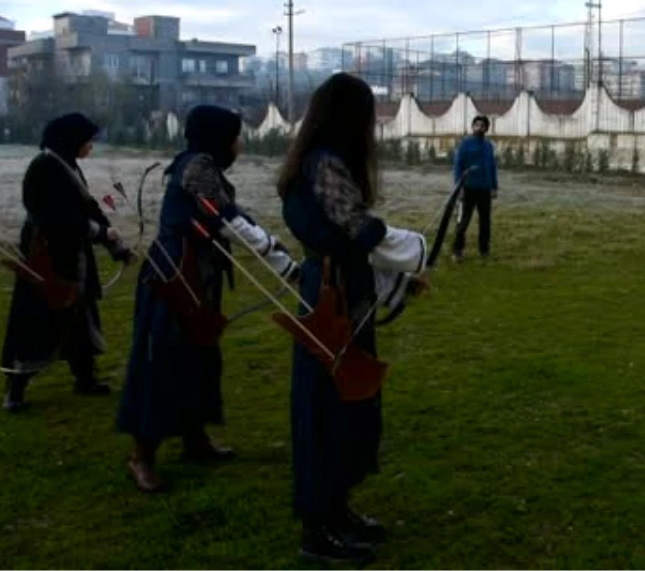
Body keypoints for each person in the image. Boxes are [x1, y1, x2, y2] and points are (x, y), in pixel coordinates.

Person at [277, 72, 431, 564]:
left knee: (351, 401)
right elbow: (360, 234)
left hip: (345, 292)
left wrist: (401, 282)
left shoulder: (326, 162)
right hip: (330, 300)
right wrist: (416, 251)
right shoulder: (324, 166)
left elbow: (351, 246)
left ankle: (337, 510)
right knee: (327, 407)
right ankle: (317, 531)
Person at [116, 104, 300, 493]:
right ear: (218, 138)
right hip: (174, 277)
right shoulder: (197, 167)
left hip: (199, 277)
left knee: (199, 355)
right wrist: (280, 261)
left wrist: (273, 248)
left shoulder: (203, 166)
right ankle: (142, 456)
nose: (239, 144)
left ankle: (194, 438)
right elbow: (226, 219)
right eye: (235, 136)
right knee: (163, 361)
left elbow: (232, 214)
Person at [0, 112, 134, 412]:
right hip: (46, 259)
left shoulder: (65, 164)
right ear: (71, 140)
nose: (90, 147)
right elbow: (58, 218)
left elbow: (88, 208)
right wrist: (102, 233)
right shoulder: (44, 168)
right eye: (87, 141)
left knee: (80, 320)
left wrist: (117, 247)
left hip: (74, 258)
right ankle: (15, 388)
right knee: (37, 323)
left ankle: (85, 378)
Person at [450, 114, 498, 262]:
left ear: (486, 129)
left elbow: (492, 167)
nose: (479, 128)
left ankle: (484, 250)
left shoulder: (488, 146)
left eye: (482, 126)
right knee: (463, 221)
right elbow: (458, 166)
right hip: (468, 189)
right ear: (472, 127)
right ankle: (457, 251)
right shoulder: (465, 144)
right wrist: (459, 187)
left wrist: (494, 187)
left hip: (484, 189)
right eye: (477, 125)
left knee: (485, 222)